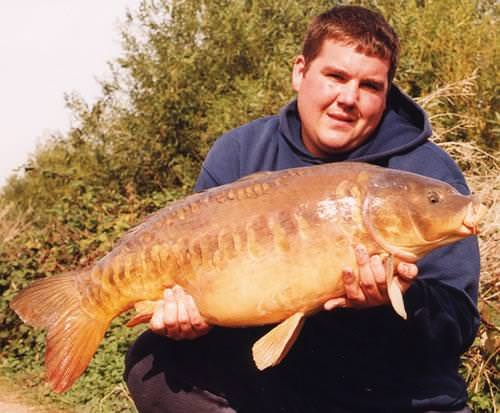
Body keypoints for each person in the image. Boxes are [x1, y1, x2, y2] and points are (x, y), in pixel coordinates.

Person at [124, 6, 480, 413]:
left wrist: (399, 301)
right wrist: (184, 321)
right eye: (336, 77)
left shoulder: (422, 174)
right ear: (300, 72)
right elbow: (195, 273)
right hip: (280, 383)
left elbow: (459, 324)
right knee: (153, 360)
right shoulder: (240, 152)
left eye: (370, 86)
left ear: (386, 93)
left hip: (392, 392)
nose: (349, 98)